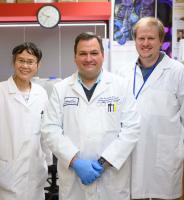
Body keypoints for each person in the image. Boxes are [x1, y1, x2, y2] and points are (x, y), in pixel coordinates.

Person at [41, 32, 141, 200]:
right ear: (75, 57)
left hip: (111, 179)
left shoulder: (120, 86)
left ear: (102, 55)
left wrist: (103, 163)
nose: (88, 59)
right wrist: (75, 162)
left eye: (94, 53)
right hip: (74, 178)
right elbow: (50, 129)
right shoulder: (61, 89)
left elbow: (132, 129)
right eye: (83, 53)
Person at [0, 42, 50, 200]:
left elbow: (45, 129)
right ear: (13, 62)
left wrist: (48, 160)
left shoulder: (41, 93)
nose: (25, 66)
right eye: (21, 60)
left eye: (30, 61)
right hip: (6, 170)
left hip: (35, 169)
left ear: (37, 65)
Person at [130, 17, 184, 200]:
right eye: (141, 38)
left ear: (161, 40)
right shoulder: (124, 72)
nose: (146, 43)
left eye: (151, 38)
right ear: (135, 40)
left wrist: (179, 152)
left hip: (165, 154)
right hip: (132, 155)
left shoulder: (178, 71)